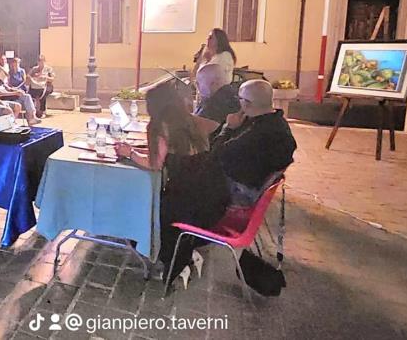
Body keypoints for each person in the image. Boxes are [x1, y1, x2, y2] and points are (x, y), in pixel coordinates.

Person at [122, 80, 295, 288]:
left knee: (156, 206)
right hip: (234, 189)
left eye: (239, 100)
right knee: (171, 193)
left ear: (247, 104)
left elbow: (216, 154)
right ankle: (181, 252)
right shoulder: (274, 124)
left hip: (225, 197)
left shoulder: (257, 134)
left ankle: (175, 256)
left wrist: (228, 128)